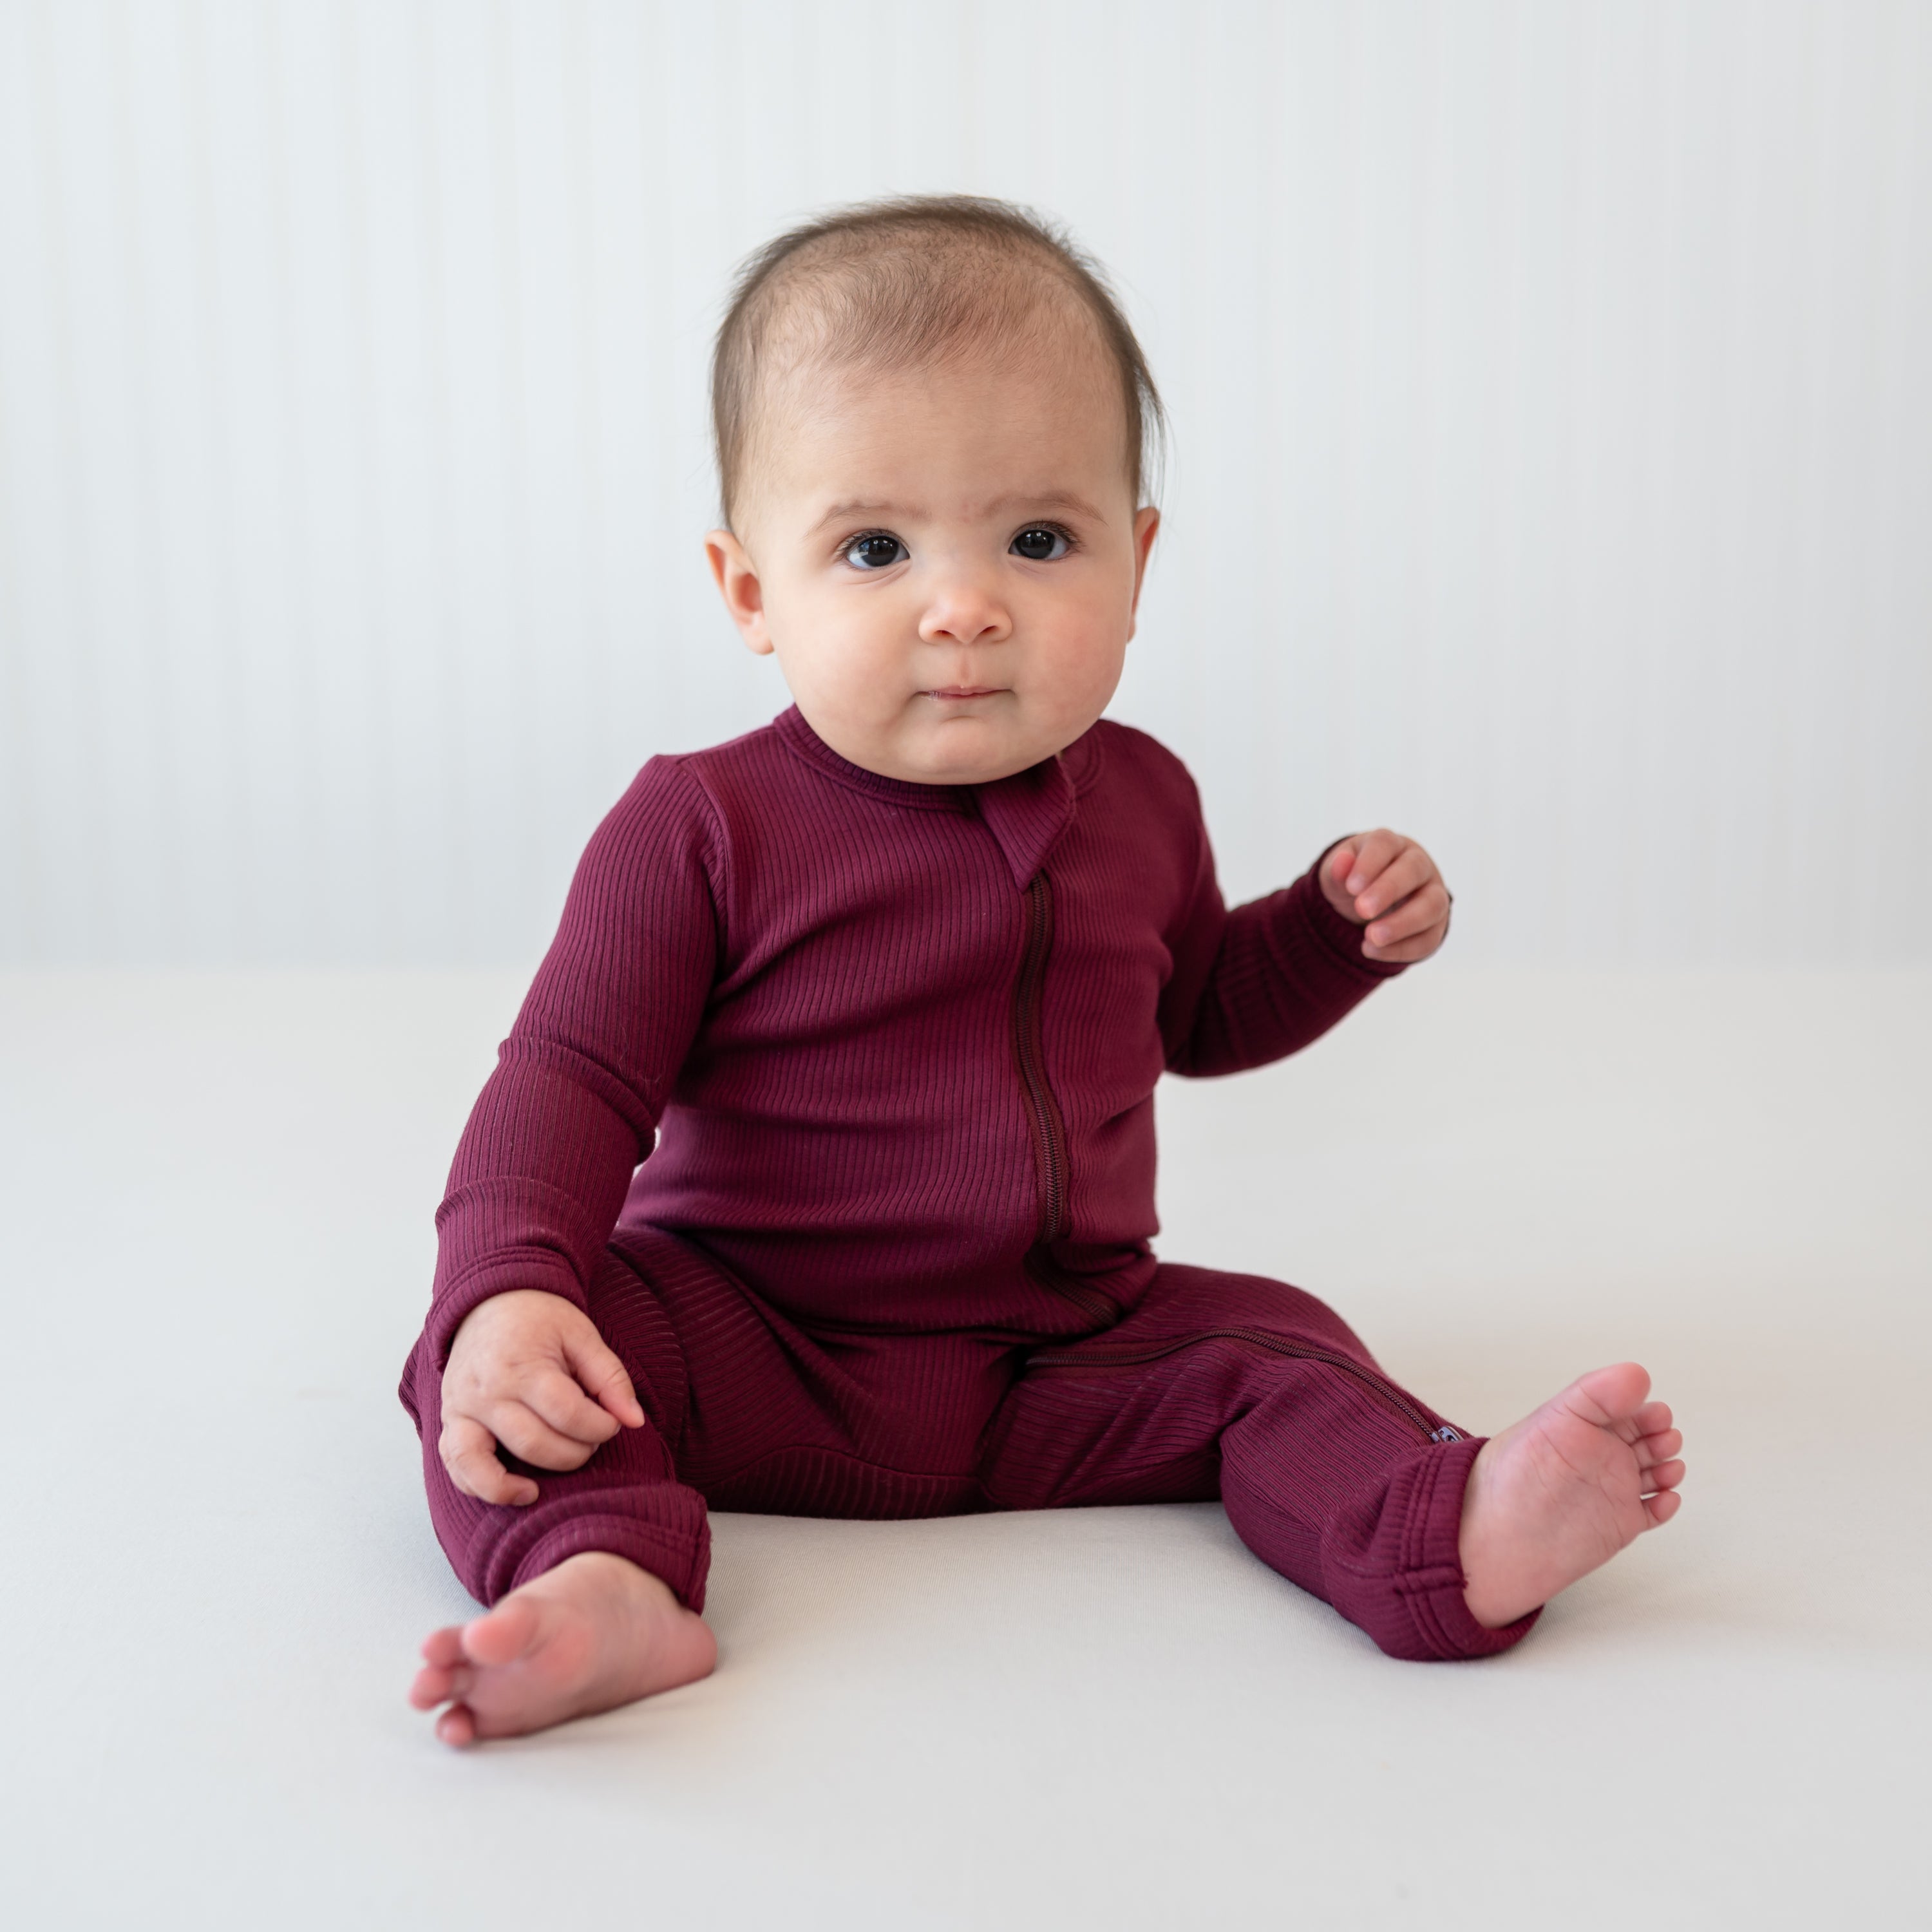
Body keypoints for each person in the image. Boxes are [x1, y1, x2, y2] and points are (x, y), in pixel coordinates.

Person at [403, 194, 1685, 1747]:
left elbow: (1199, 1009)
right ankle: (607, 1580)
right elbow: (569, 1084)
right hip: (758, 1340)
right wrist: (509, 1289)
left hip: (1064, 1351)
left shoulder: (1143, 795)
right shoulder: (701, 825)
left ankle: (1446, 1536)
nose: (966, 606)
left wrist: (1325, 937)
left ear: (1136, 565)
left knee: (1278, 1343)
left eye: (1039, 538)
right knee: (516, 1357)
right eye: (873, 547)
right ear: (751, 591)